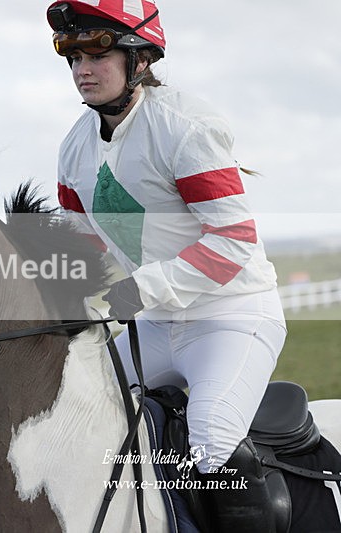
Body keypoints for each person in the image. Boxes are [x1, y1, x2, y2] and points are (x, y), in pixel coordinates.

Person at [46, 1, 287, 531]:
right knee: (72, 419)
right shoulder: (73, 149)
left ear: (140, 59)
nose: (82, 69)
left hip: (230, 317)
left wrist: (138, 290)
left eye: (97, 55)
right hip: (154, 325)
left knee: (211, 447)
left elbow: (232, 242)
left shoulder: (186, 126)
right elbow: (84, 248)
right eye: (73, 57)